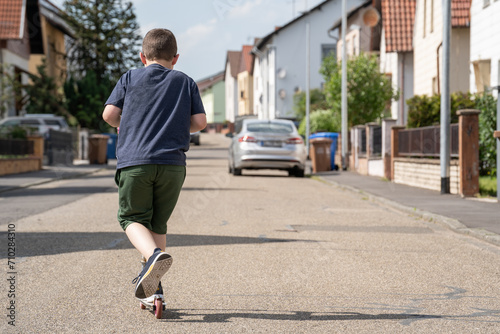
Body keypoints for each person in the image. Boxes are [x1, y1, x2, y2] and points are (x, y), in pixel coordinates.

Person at [102, 28, 207, 300]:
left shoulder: (130, 77)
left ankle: (154, 256)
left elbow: (109, 115)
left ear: (142, 56)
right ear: (176, 57)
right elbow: (200, 123)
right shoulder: (186, 82)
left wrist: (126, 123)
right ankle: (154, 289)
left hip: (136, 162)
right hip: (173, 165)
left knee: (131, 218)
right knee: (157, 223)